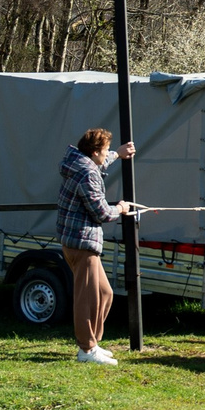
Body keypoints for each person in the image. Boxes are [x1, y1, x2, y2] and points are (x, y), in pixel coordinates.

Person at [55, 127, 137, 364]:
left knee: (104, 293)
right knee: (88, 298)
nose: (107, 153)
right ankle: (87, 350)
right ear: (94, 152)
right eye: (106, 150)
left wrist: (117, 154)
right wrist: (121, 209)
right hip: (82, 243)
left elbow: (98, 164)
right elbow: (100, 212)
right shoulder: (87, 175)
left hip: (76, 242)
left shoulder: (79, 163)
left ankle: (92, 342)